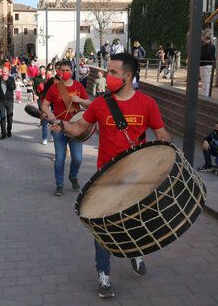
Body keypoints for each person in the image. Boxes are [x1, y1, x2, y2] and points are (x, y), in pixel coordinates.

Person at [61, 53, 171, 298]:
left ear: (127, 76)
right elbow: (79, 127)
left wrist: (166, 162)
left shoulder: (147, 103)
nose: (106, 76)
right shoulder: (100, 103)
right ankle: (103, 273)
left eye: (112, 72)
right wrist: (63, 126)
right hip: (106, 176)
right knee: (102, 225)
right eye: (107, 71)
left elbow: (162, 136)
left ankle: (135, 251)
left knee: (134, 221)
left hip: (137, 176)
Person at [41, 60, 90, 196]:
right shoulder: (54, 88)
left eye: (68, 70)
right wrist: (49, 114)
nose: (65, 72)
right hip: (59, 126)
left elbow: (89, 104)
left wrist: (79, 101)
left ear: (72, 71)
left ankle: (73, 176)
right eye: (62, 70)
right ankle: (59, 184)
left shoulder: (79, 86)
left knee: (78, 158)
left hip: (76, 126)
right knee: (60, 158)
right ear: (59, 72)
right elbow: (44, 105)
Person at [0, 67, 16, 139]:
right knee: (2, 117)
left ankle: (9, 130)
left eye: (5, 72)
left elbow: (13, 88)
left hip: (9, 101)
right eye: (3, 72)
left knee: (10, 117)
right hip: (1, 101)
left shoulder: (11, 79)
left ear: (8, 72)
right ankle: (3, 133)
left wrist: (7, 81)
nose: (4, 73)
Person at [33, 66, 51, 145]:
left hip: (52, 103)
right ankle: (45, 138)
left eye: (50, 74)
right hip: (42, 101)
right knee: (44, 121)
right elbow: (35, 89)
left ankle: (54, 133)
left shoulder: (55, 82)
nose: (48, 75)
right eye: (47, 74)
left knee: (53, 121)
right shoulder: (37, 79)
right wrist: (35, 95)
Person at [200, 29, 216, 96]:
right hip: (203, 65)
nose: (202, 37)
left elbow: (206, 55)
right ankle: (204, 95)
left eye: (203, 35)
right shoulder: (204, 45)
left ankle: (205, 96)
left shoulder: (210, 45)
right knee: (204, 82)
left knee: (206, 82)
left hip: (207, 65)